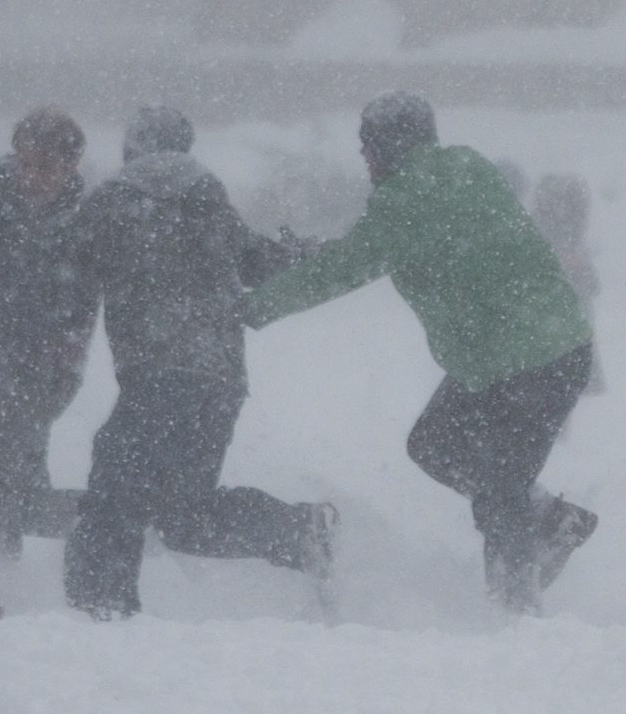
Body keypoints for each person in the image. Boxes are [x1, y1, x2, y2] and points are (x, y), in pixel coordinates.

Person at [247, 92, 601, 610]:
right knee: (437, 443)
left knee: (501, 485)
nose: (364, 160)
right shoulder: (465, 168)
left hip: (532, 360)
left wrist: (250, 310)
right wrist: (323, 254)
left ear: (387, 147)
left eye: (367, 148)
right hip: (523, 353)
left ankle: (518, 607)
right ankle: (548, 522)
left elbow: (348, 267)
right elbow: (393, 243)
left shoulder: (404, 203)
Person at [60, 107, 336, 618]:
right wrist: (307, 255)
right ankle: (296, 530)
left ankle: (101, 610)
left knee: (114, 483)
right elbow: (257, 260)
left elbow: (68, 277)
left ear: (131, 149)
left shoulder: (113, 201)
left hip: (157, 372)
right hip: (219, 378)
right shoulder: (207, 201)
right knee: (184, 514)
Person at [0, 108, 96, 557]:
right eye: (25, 163)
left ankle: (120, 522)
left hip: (52, 363)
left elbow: (78, 304)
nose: (31, 177)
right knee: (8, 473)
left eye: (45, 167)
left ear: (70, 166)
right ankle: (117, 523)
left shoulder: (86, 220)